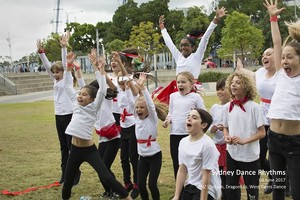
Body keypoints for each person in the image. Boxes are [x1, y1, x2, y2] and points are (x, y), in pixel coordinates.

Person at [61, 51, 132, 200]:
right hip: (74, 149)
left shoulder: (94, 107)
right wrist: (68, 66)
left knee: (106, 176)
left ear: (93, 99)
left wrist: (99, 69)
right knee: (67, 182)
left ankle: (126, 197)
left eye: (84, 94)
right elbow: (67, 85)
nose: (80, 95)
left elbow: (102, 90)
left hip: (89, 149)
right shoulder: (76, 105)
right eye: (80, 93)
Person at [36, 33, 83, 185]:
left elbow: (64, 64)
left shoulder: (67, 80)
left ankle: (74, 174)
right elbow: (48, 67)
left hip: (70, 115)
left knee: (71, 146)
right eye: (54, 72)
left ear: (64, 72)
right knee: (63, 147)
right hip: (59, 116)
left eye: (58, 72)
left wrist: (64, 48)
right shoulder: (55, 81)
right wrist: (41, 53)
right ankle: (64, 174)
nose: (55, 74)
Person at [264, 1, 300, 199]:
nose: (284, 60)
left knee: (296, 191)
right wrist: (273, 18)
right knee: (277, 189)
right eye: (283, 57)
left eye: (290, 57)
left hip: (296, 144)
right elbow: (277, 42)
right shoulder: (280, 74)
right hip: (274, 140)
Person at [155, 7, 226, 104]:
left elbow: (205, 38)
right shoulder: (178, 56)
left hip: (192, 88)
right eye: (181, 45)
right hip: (178, 88)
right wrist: (162, 27)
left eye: (186, 45)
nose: (183, 47)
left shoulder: (197, 56)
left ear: (193, 47)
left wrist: (216, 19)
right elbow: (169, 43)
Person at [222, 72, 265, 200]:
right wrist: (226, 136)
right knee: (231, 189)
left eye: (238, 82)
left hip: (250, 157)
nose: (233, 85)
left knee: (252, 191)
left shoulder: (254, 108)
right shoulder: (227, 107)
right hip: (232, 154)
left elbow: (262, 132)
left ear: (246, 87)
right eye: (232, 82)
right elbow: (225, 127)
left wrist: (245, 141)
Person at [126, 73, 166, 200]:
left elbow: (149, 103)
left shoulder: (152, 118)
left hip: (155, 156)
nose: (138, 110)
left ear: (148, 109)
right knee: (141, 185)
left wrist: (143, 88)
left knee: (152, 184)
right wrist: (128, 85)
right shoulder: (136, 119)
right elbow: (131, 100)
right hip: (142, 157)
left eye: (142, 108)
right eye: (137, 108)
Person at [88, 49, 121, 199]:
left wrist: (98, 68)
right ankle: (108, 191)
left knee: (105, 167)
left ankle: (117, 191)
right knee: (100, 168)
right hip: (102, 138)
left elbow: (108, 87)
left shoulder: (105, 98)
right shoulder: (92, 104)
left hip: (113, 138)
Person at [162, 71, 206, 181]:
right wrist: (168, 120)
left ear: (191, 84)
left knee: (192, 163)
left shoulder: (196, 97)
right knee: (177, 163)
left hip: (190, 135)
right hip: (175, 134)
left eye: (183, 82)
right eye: (178, 82)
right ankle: (179, 191)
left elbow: (203, 114)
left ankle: (194, 186)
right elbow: (171, 113)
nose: (180, 84)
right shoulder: (173, 96)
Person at [172, 108, 221, 200]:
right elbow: (182, 170)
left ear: (204, 125)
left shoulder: (207, 145)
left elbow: (206, 174)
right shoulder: (183, 142)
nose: (189, 119)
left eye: (194, 118)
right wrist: (176, 196)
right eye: (188, 117)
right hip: (191, 184)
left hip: (208, 189)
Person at [114, 51, 140, 199]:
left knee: (133, 157)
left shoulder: (131, 89)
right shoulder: (119, 91)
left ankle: (137, 184)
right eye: (120, 82)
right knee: (123, 157)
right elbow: (114, 80)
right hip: (123, 127)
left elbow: (126, 79)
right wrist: (102, 70)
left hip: (133, 126)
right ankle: (127, 182)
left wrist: (120, 66)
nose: (121, 83)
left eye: (123, 81)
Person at [209, 77, 230, 200]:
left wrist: (225, 129)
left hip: (228, 147)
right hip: (216, 147)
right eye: (218, 89)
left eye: (223, 89)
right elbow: (209, 125)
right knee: (218, 175)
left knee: (228, 176)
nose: (220, 92)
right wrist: (212, 129)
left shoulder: (231, 106)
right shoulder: (214, 107)